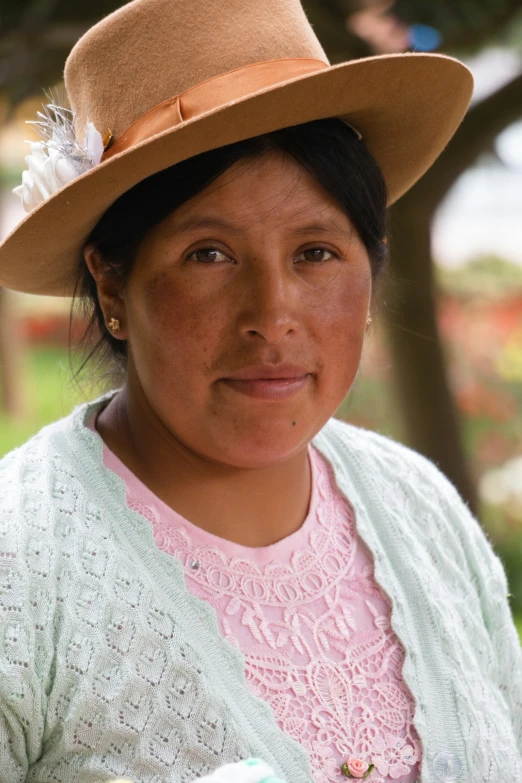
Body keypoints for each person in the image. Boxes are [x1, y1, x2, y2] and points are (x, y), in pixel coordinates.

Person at [0, 0, 520, 781]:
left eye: (316, 251)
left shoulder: (421, 511)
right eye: (209, 254)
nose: (273, 318)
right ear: (111, 281)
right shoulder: (22, 571)